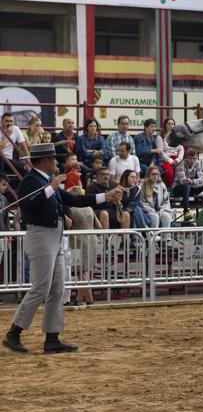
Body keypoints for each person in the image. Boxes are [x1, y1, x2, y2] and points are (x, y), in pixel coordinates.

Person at [2, 143, 119, 354]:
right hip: (40, 235)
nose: (57, 163)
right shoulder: (32, 180)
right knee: (41, 287)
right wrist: (51, 188)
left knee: (57, 288)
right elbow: (27, 205)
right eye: (54, 159)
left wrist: (105, 197)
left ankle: (52, 337)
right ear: (45, 161)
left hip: (54, 236)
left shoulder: (48, 181)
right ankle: (14, 333)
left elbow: (75, 199)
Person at [67, 186, 101, 305]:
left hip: (78, 241)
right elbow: (99, 226)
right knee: (84, 271)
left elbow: (69, 226)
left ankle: (79, 299)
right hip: (92, 239)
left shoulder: (71, 209)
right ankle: (88, 299)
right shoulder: (89, 208)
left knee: (82, 271)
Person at [173, 150, 203, 222]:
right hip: (178, 188)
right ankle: (186, 212)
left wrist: (193, 182)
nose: (192, 161)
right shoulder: (181, 164)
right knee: (186, 186)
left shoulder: (197, 163)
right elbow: (183, 181)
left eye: (194, 159)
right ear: (186, 158)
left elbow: (201, 178)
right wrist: (197, 183)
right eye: (190, 158)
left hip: (191, 187)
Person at [141, 165, 173, 230]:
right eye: (153, 174)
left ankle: (165, 238)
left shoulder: (162, 185)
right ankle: (153, 237)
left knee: (166, 216)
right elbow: (142, 203)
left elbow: (166, 201)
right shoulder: (143, 185)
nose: (155, 176)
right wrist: (154, 211)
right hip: (148, 212)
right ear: (149, 175)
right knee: (155, 217)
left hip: (160, 210)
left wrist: (162, 210)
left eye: (157, 174)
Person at [157, 117, 184, 188]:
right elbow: (160, 152)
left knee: (181, 170)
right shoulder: (160, 137)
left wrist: (177, 159)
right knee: (169, 173)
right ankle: (169, 189)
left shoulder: (178, 137)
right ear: (165, 125)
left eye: (172, 124)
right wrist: (170, 160)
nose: (171, 126)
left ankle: (177, 189)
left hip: (177, 159)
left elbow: (181, 150)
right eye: (168, 124)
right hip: (166, 159)